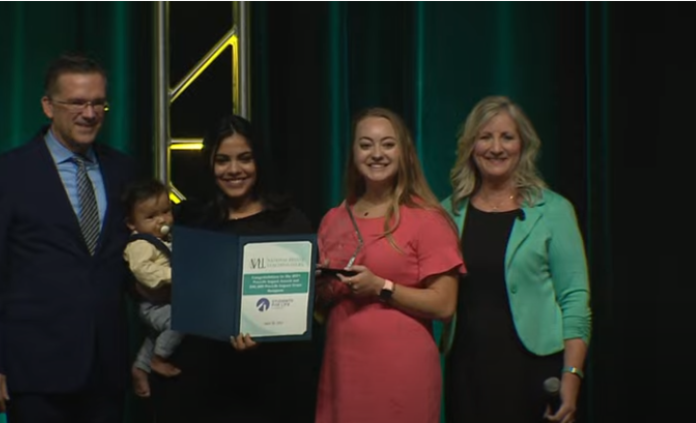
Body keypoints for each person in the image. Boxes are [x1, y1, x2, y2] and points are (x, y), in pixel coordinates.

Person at [0, 53, 136, 422]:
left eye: (98, 103)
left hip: (106, 373)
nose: (89, 114)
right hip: (36, 373)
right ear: (48, 106)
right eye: (77, 103)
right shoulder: (6, 174)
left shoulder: (123, 170)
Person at [149, 115, 318, 423]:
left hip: (270, 384)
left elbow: (302, 304)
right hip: (201, 381)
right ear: (209, 164)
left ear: (258, 162)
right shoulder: (190, 219)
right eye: (223, 160)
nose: (234, 170)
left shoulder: (289, 222)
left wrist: (267, 330)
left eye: (245, 158)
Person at [441, 95, 591, 423]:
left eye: (507, 137)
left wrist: (572, 376)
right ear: (470, 146)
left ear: (523, 145)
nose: (496, 148)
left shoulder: (554, 211)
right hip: (467, 373)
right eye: (485, 137)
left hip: (534, 373)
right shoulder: (447, 214)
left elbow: (575, 299)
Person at [314, 107, 465, 423]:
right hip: (343, 369)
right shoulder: (333, 219)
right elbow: (321, 307)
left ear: (404, 153)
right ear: (353, 153)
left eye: (387, 144)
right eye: (365, 144)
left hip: (402, 372)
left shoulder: (428, 220)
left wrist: (381, 287)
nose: (376, 154)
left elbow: (444, 305)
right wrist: (321, 289)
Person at [120, 178, 183, 398]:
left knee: (155, 336)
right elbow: (143, 271)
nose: (161, 220)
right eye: (151, 217)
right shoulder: (140, 244)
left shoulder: (164, 238)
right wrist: (173, 275)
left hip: (163, 301)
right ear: (131, 223)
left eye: (166, 211)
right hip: (152, 305)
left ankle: (140, 367)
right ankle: (158, 360)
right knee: (179, 321)